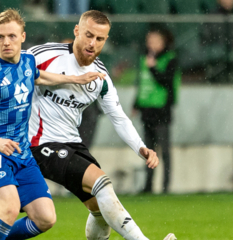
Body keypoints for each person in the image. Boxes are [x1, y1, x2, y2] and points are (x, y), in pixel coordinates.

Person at [28, 10, 176, 240]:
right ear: (76, 31)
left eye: (99, 39)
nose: (92, 43)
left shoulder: (101, 77)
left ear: (105, 41)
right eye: (88, 35)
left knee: (99, 209)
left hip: (72, 144)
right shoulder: (44, 55)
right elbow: (8, 69)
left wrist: (140, 147)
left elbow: (118, 116)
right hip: (40, 143)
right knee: (102, 183)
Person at [0, 9, 105, 240]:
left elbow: (39, 76)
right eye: (0, 37)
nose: (6, 42)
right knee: (9, 210)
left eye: (11, 36)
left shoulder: (28, 61)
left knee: (45, 218)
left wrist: (75, 79)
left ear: (23, 37)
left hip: (22, 153)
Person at [133, 29, 181, 194]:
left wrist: (153, 68)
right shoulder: (144, 59)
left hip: (161, 110)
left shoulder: (170, 59)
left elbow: (166, 82)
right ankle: (148, 186)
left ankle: (166, 187)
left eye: (154, 40)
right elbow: (141, 84)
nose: (151, 44)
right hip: (147, 110)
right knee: (148, 151)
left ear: (163, 42)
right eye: (149, 40)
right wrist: (136, 103)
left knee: (164, 151)